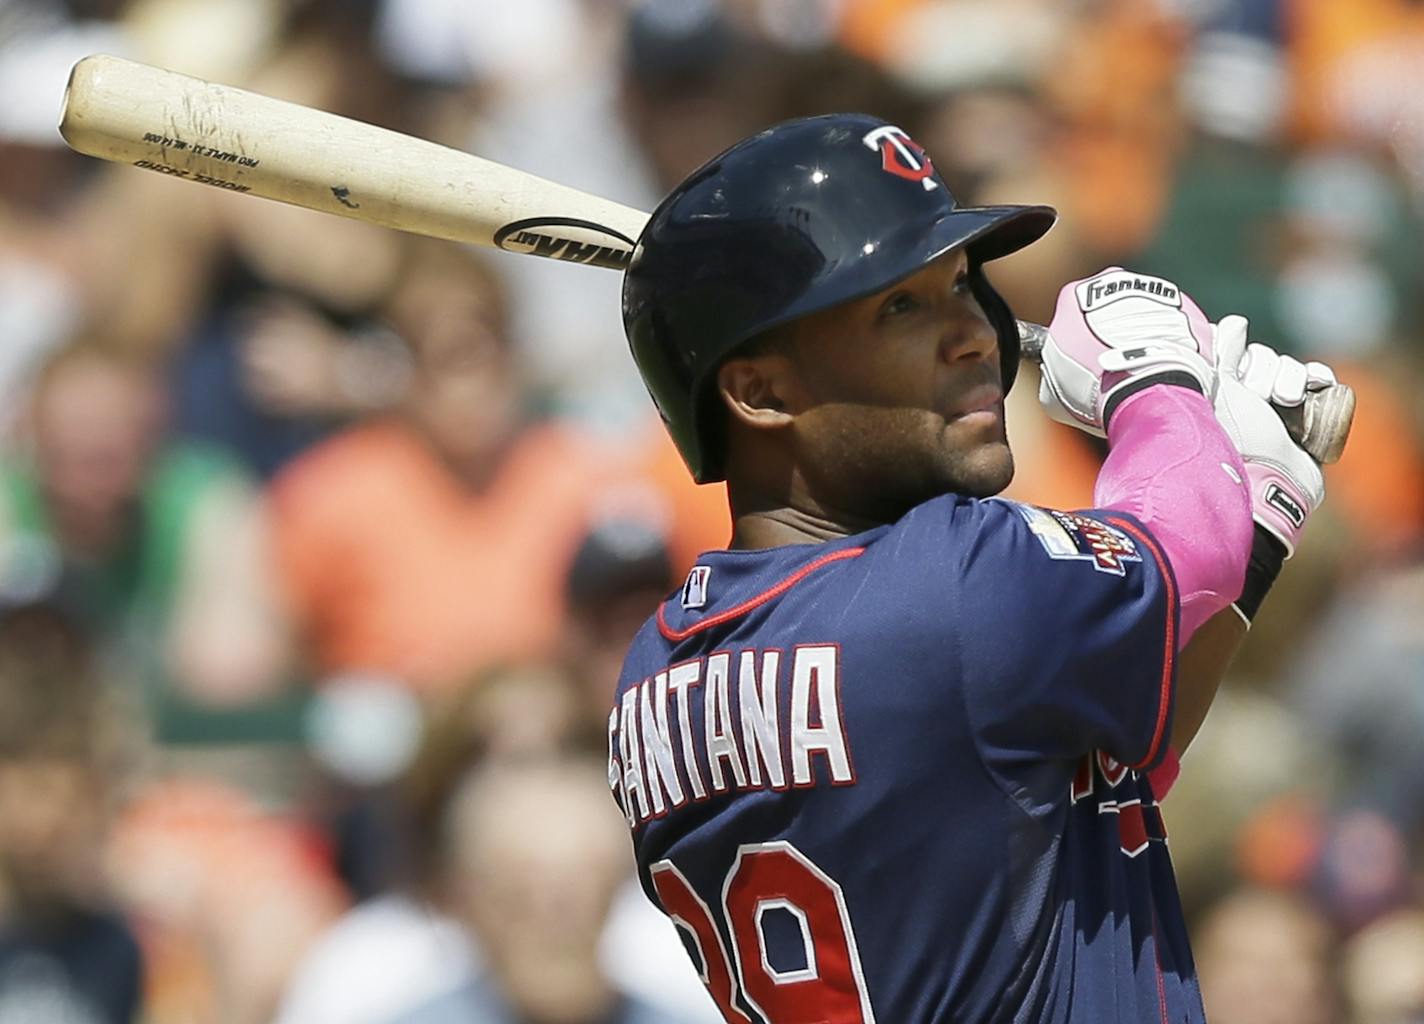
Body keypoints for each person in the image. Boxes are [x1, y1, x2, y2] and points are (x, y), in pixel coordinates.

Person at [608, 114, 1336, 1021]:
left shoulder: (657, 665)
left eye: (960, 286)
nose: (975, 335)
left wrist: (1259, 509)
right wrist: (1154, 379)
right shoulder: (943, 588)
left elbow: (1097, 781)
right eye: (901, 307)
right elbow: (1184, 549)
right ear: (760, 392)